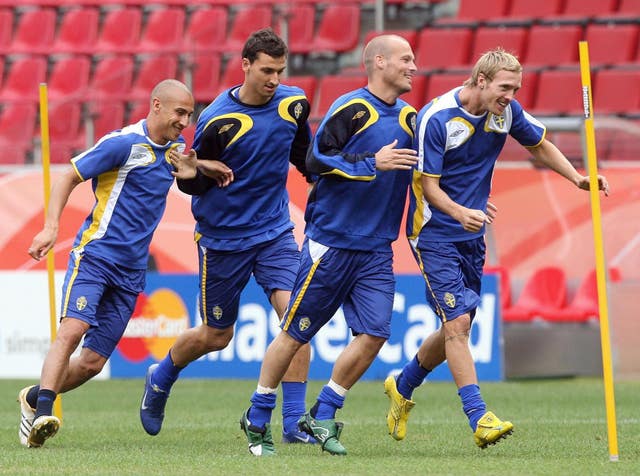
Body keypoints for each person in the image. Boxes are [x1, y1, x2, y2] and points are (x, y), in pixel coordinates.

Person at [384, 48, 610, 449]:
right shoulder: (438, 118)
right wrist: (460, 212)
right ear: (481, 80)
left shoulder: (505, 113)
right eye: (505, 87)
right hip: (434, 233)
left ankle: (402, 386)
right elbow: (429, 187)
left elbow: (538, 145)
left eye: (516, 88)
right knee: (457, 327)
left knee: (459, 324)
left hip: (471, 234)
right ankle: (479, 416)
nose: (510, 95)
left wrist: (577, 178)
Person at [239, 34, 419, 457]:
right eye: (406, 59)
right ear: (379, 62)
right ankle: (258, 413)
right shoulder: (351, 108)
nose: (414, 66)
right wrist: (371, 163)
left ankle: (324, 412)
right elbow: (316, 161)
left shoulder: (411, 118)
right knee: (296, 332)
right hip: (332, 243)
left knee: (375, 333)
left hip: (377, 247)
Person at [139, 28, 317, 444]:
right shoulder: (219, 120)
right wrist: (193, 174)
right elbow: (193, 180)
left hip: (273, 232)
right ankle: (161, 375)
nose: (274, 79)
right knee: (217, 336)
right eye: (267, 70)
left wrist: (319, 180)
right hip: (223, 239)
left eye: (280, 71)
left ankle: (293, 425)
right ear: (246, 66)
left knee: (297, 318)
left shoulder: (294, 103)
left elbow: (300, 153)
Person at [18, 79, 197, 448]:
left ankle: (35, 397)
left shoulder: (176, 152)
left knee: (92, 363)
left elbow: (196, 167)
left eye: (189, 115)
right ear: (157, 105)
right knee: (73, 328)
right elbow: (69, 174)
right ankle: (42, 417)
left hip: (131, 272)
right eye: (180, 112)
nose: (185, 121)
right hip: (96, 256)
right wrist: (51, 226)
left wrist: (201, 168)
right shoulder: (123, 144)